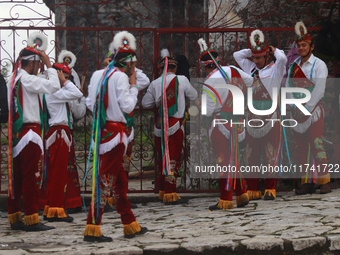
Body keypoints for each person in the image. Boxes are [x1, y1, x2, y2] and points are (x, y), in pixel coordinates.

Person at [84, 31, 148, 242]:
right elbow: (128, 106)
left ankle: (129, 223)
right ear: (128, 64)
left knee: (119, 181)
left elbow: (91, 105)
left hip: (102, 133)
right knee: (105, 181)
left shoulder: (97, 74)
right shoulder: (120, 77)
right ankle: (93, 227)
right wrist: (134, 86)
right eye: (133, 64)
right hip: (116, 137)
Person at [7, 32, 60, 231]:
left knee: (18, 177)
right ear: (32, 63)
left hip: (17, 134)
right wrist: (50, 65)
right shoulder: (27, 80)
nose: (39, 68)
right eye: (37, 65)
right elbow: (54, 86)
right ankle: (31, 217)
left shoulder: (12, 80)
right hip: (29, 134)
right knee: (31, 177)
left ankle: (15, 216)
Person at [197, 38, 253, 210]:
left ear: (205, 66)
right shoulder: (233, 69)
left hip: (220, 124)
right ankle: (242, 194)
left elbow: (208, 109)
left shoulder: (209, 81)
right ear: (217, 61)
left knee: (223, 160)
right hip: (237, 122)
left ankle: (226, 198)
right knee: (233, 159)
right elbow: (250, 81)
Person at [233, 29, 287, 201]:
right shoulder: (251, 68)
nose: (255, 61)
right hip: (252, 117)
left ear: (267, 57)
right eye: (254, 58)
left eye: (259, 57)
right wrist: (254, 49)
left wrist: (271, 49)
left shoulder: (276, 69)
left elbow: (283, 58)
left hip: (270, 116)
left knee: (271, 153)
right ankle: (253, 189)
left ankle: (270, 188)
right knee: (251, 154)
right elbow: (237, 56)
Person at [142, 48, 198, 205]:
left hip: (160, 125)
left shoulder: (154, 83)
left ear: (160, 69)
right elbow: (194, 96)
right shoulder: (182, 80)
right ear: (175, 68)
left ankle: (161, 190)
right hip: (175, 124)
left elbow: (145, 103)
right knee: (173, 158)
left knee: (161, 158)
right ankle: (170, 192)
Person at [286, 21, 331, 195]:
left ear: (311, 47)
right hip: (297, 111)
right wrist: (293, 106)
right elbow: (289, 88)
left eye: (304, 45)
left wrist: (307, 107)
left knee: (317, 143)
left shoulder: (319, 65)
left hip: (312, 112)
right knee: (301, 147)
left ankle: (324, 180)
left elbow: (319, 89)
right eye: (299, 45)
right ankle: (307, 182)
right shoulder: (293, 66)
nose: (301, 48)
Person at [41, 62, 83, 222]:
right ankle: (57, 209)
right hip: (59, 132)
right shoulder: (55, 90)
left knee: (55, 173)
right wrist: (64, 81)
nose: (67, 80)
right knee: (59, 173)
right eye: (65, 77)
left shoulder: (54, 90)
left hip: (58, 132)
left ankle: (50, 207)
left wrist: (63, 80)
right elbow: (77, 93)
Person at [59, 50, 86, 214]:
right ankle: (70, 201)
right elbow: (79, 113)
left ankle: (51, 201)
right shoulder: (67, 92)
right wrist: (81, 98)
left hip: (47, 133)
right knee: (66, 167)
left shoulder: (50, 90)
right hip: (63, 132)